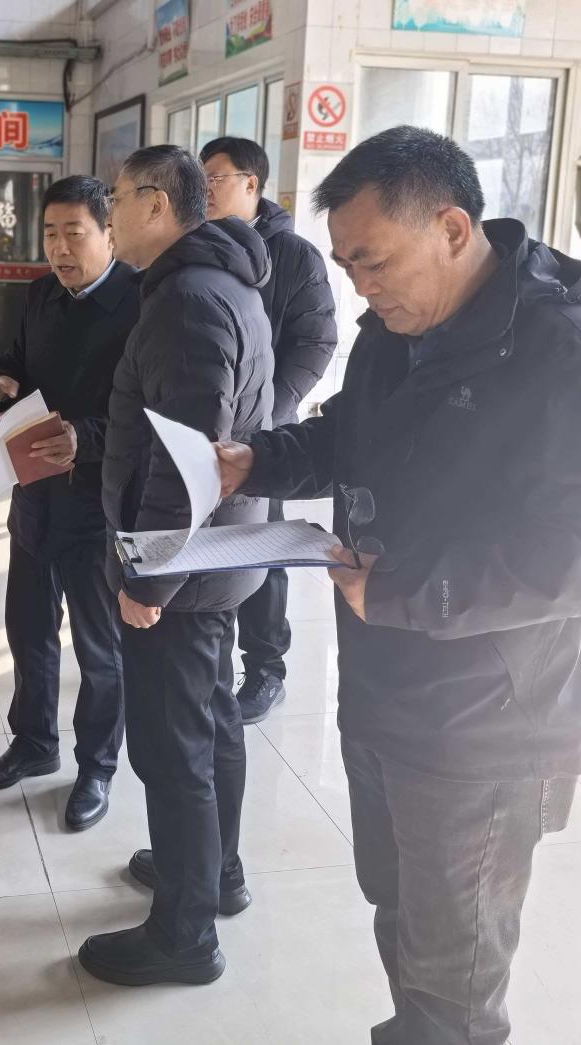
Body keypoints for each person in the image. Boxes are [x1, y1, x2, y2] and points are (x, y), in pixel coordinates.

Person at [216, 127, 581, 1045]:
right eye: (346, 265)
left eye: (372, 262)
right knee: (402, 915)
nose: (359, 288)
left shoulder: (559, 348)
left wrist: (414, 591)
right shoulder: (396, 329)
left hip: (485, 720)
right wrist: (256, 459)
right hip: (382, 686)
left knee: (455, 974)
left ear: (452, 228)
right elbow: (352, 433)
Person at [77, 145, 273, 988]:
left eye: (116, 198)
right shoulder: (215, 283)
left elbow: (184, 462)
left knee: (174, 745)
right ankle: (215, 871)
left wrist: (148, 580)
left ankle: (185, 934)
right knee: (212, 720)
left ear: (156, 203)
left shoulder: (188, 299)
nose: (109, 213)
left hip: (182, 569)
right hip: (217, 556)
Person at [0, 175, 141, 833]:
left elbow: (149, 412)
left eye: (75, 233)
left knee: (99, 648)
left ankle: (96, 765)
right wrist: (2, 376)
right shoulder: (40, 294)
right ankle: (34, 742)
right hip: (34, 496)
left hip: (97, 505)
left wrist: (85, 439)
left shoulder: (140, 303)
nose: (60, 248)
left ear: (109, 233)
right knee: (28, 629)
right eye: (49, 233)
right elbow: (16, 357)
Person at [201, 136, 337, 721]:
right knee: (208, 546)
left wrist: (267, 419)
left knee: (263, 550)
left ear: (251, 184)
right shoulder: (197, 247)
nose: (205, 188)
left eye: (216, 177)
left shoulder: (294, 255)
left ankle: (265, 669)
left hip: (266, 437)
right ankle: (206, 658)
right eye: (200, 179)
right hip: (205, 429)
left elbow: (316, 341)